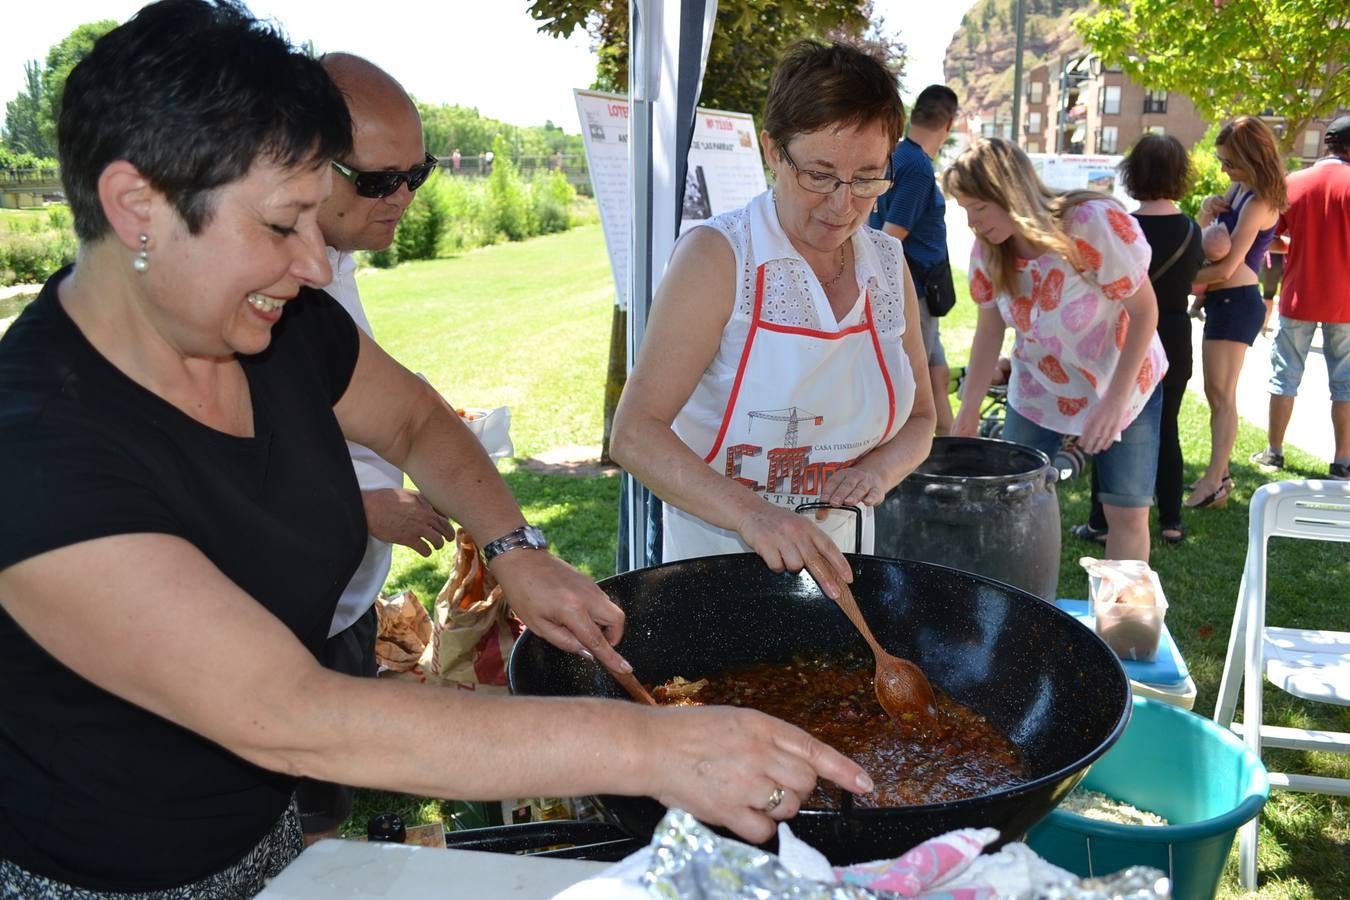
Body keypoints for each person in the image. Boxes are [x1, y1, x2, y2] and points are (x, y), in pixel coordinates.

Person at [0, 3, 872, 894]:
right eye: (279, 225)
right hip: (98, 875)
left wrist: (514, 550)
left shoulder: (287, 329)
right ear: (135, 206)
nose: (312, 265)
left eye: (315, 222)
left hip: (257, 840)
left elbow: (417, 421)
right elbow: (291, 713)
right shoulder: (34, 454)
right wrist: (657, 746)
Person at [611, 40, 936, 595]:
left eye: (866, 178)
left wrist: (876, 473)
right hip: (717, 562)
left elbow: (922, 420)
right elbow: (635, 434)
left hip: (844, 563)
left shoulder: (886, 262)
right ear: (772, 150)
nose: (842, 204)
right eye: (820, 174)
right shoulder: (719, 256)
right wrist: (755, 515)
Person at [293, 52, 452, 843]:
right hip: (280, 622)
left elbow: (407, 416)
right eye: (379, 179)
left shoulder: (335, 261)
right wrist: (361, 506)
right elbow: (211, 481)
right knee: (292, 832)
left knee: (324, 812)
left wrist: (515, 547)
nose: (404, 196)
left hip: (341, 601)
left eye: (416, 174)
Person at [946, 138, 1167, 563]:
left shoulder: (1091, 223)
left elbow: (1145, 312)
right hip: (1040, 386)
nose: (972, 223)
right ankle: (1018, 605)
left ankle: (1116, 623)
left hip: (1124, 380)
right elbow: (989, 331)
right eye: (964, 211)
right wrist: (968, 409)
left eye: (978, 207)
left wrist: (1113, 403)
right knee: (1008, 500)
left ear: (1007, 192)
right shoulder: (990, 250)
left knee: (1125, 510)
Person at [1071, 134, 1205, 547]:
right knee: (1167, 429)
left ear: (1134, 173)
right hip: (1175, 334)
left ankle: (1100, 521)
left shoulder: (1121, 226)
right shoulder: (1191, 230)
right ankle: (1171, 519)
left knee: (1109, 429)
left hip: (1125, 338)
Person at [1186, 116, 1287, 509]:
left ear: (1254, 158)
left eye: (1230, 162)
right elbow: (1204, 242)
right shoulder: (1239, 187)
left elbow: (1227, 267)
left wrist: (1178, 280)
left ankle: (1214, 481)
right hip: (1223, 301)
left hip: (1237, 300)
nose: (1224, 169)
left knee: (1222, 396)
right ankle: (1220, 477)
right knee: (1216, 394)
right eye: (1221, 160)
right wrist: (1205, 213)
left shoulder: (1260, 200)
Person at [1248, 114, 1350, 480]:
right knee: (1346, 383)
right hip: (1346, 303)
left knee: (1284, 376)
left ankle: (1274, 451)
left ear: (1328, 144)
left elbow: (1266, 236)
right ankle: (1342, 460)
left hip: (1298, 296)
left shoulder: (1294, 183)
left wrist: (1294, 245)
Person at [869, 84, 960, 435]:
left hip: (910, 288)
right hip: (913, 289)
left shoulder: (896, 155)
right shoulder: (919, 167)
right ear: (948, 123)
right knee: (916, 373)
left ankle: (949, 441)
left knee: (935, 369)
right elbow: (891, 236)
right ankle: (922, 448)